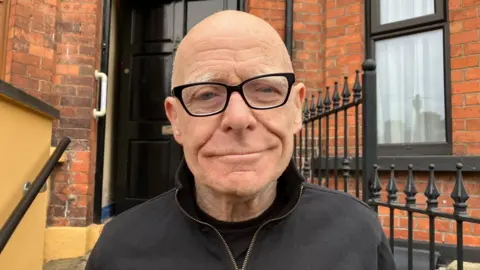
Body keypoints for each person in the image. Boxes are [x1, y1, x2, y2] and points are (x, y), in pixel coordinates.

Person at [86, 10, 396, 270]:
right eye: (206, 94)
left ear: (296, 109)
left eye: (265, 90)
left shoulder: (358, 233)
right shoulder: (118, 249)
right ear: (176, 119)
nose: (238, 118)